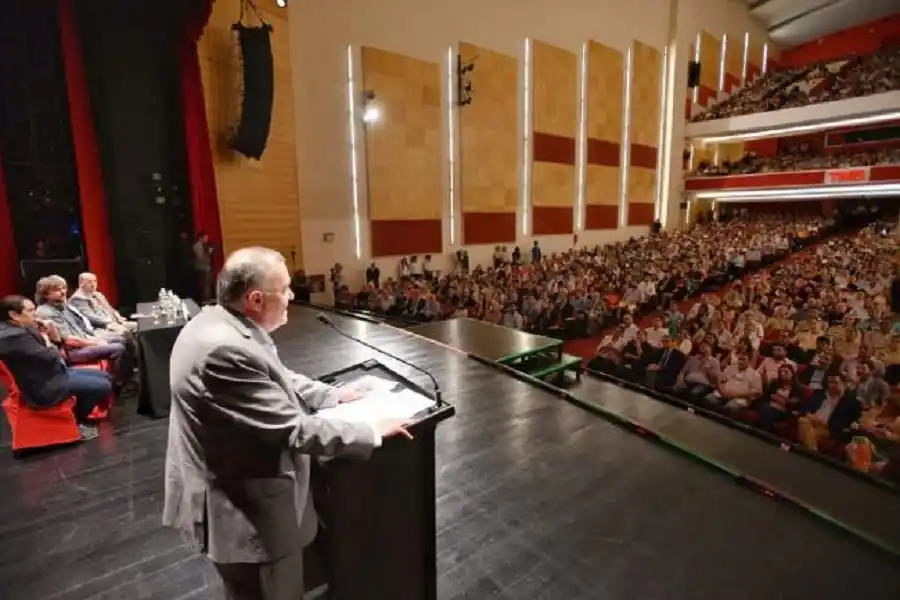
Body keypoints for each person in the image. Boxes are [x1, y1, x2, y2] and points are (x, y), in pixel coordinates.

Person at [163, 247, 412, 599]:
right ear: (255, 298)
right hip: (246, 515)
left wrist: (332, 396)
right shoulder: (224, 349)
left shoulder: (221, 324)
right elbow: (294, 430)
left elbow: (274, 376)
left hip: (233, 492)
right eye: (286, 289)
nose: (292, 296)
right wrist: (370, 431)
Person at [0, 295, 113, 440]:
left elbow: (51, 353)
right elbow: (53, 356)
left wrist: (46, 333)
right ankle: (76, 419)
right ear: (14, 315)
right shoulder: (13, 336)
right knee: (102, 386)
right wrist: (47, 337)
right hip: (42, 386)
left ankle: (78, 415)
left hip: (50, 373)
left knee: (105, 376)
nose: (35, 314)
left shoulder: (18, 329)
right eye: (30, 311)